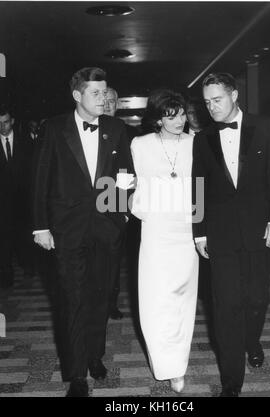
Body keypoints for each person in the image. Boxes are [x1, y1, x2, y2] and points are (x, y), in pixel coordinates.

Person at [32, 67, 134, 397]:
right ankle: (77, 374)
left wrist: (120, 214)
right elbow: (40, 180)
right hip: (67, 230)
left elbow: (125, 176)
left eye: (105, 93)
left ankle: (94, 355)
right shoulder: (54, 128)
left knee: (101, 296)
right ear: (77, 96)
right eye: (96, 93)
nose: (103, 99)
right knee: (73, 298)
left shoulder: (118, 128)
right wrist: (41, 226)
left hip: (106, 228)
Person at [192, 73, 270, 397]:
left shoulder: (265, 128)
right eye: (206, 102)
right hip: (220, 236)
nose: (212, 107)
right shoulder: (202, 138)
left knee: (257, 299)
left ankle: (252, 340)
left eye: (217, 99)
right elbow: (198, 189)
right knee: (226, 306)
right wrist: (199, 233)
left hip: (260, 231)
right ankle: (231, 382)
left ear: (234, 95)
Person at [131, 89, 199, 393]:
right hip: (156, 230)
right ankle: (164, 363)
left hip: (186, 230)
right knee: (156, 300)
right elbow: (126, 181)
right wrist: (133, 206)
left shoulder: (196, 142)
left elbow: (204, 185)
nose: (178, 120)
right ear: (158, 118)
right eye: (171, 115)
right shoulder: (140, 144)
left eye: (182, 114)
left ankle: (179, 366)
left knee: (183, 299)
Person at [103, 86, 140, 320]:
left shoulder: (130, 132)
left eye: (112, 101)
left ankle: (110, 303)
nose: (107, 105)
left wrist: (125, 208)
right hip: (89, 203)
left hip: (119, 201)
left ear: (118, 104)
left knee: (115, 257)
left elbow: (133, 170)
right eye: (103, 100)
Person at [0, 106, 34, 289]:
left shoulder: (26, 142)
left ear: (12, 121)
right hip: (2, 203)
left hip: (23, 200)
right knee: (3, 240)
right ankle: (6, 275)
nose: (2, 127)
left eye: (5, 122)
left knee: (24, 236)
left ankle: (28, 266)